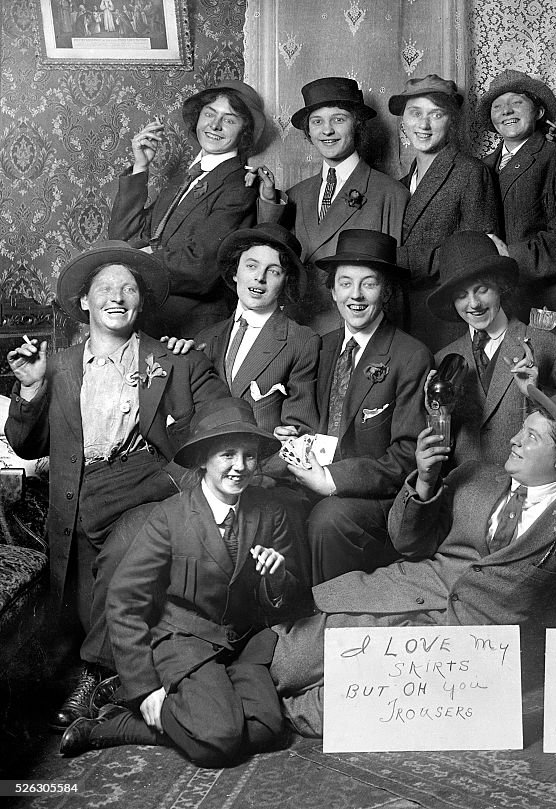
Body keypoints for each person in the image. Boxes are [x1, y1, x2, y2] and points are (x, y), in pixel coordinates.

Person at [271, 387, 556, 738]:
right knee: (287, 663)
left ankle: (257, 713)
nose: (514, 440)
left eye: (531, 436)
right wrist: (426, 481)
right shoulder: (474, 476)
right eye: (521, 428)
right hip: (401, 598)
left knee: (327, 709)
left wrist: (528, 674)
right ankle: (246, 695)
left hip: (461, 656)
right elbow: (408, 543)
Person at [4, 241, 229, 731]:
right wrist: (30, 389)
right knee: (99, 591)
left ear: (141, 303)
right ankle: (111, 676)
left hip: (147, 482)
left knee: (129, 546)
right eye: (105, 288)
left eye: (128, 288)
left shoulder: (171, 359)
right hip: (80, 493)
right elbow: (24, 446)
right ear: (84, 302)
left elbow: (220, 418)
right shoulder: (59, 365)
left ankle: (93, 676)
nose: (118, 297)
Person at [59, 399, 299, 767]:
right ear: (203, 459)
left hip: (243, 642)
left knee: (269, 728)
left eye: (250, 456)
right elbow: (124, 603)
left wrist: (278, 577)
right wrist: (144, 690)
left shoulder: (271, 512)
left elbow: (282, 599)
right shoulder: (168, 518)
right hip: (185, 641)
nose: (240, 467)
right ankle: (113, 726)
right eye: (227, 455)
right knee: (218, 740)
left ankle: (167, 723)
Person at [283, 229, 431, 585]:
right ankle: (284, 627)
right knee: (267, 510)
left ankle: (329, 623)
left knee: (329, 520)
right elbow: (309, 420)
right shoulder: (321, 346)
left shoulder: (411, 355)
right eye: (346, 283)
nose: (356, 295)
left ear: (387, 292)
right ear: (333, 292)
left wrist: (332, 480)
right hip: (312, 476)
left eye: (369, 284)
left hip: (375, 497)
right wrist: (293, 437)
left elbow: (408, 455)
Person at [193, 222, 321, 583]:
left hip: (260, 479)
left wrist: (253, 474)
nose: (259, 279)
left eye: (273, 271)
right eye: (251, 266)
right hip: (200, 477)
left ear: (286, 282)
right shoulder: (205, 339)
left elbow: (302, 432)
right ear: (235, 272)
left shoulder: (300, 341)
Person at [253, 77, 409, 333]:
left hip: (354, 332)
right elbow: (269, 257)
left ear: (357, 126)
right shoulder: (295, 194)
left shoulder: (389, 194)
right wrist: (270, 202)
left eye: (338, 119)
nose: (327, 131)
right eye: (317, 122)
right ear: (309, 132)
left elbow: (395, 286)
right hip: (297, 331)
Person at [108, 81, 264, 336]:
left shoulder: (239, 186)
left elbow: (200, 267)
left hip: (192, 329)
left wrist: (136, 258)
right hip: (149, 320)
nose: (214, 126)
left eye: (229, 120)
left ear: (244, 131)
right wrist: (140, 167)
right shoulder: (184, 179)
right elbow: (123, 236)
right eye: (210, 114)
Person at [428, 231, 556, 466]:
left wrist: (537, 393)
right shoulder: (442, 360)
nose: (473, 304)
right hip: (463, 493)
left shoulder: (550, 347)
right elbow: (438, 448)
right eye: (462, 295)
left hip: (527, 492)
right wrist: (436, 414)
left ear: (501, 286)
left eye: (482, 289)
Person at [478, 69, 556, 361]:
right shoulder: (481, 169)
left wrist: (506, 258)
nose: (506, 111)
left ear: (539, 111)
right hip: (507, 308)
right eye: (497, 106)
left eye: (517, 103)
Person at [388, 74, 500, 352]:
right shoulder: (400, 185)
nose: (423, 125)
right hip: (400, 314)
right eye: (415, 114)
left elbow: (476, 253)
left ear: (451, 120)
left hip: (445, 317)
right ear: (404, 121)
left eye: (436, 114)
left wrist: (392, 260)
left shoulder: (470, 172)